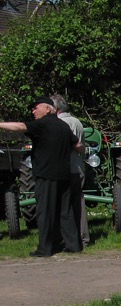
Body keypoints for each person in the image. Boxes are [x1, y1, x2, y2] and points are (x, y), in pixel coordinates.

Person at [0, 96, 81, 256]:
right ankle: (73, 245)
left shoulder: (43, 124)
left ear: (48, 109)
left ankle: (45, 248)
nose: (33, 111)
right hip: (64, 174)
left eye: (36, 107)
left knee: (45, 211)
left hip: (46, 175)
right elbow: (77, 144)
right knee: (66, 211)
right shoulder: (64, 126)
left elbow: (21, 127)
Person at [52, 94, 88, 247]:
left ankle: (67, 239)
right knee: (78, 202)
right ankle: (83, 238)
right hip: (79, 166)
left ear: (55, 108)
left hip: (67, 168)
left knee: (64, 205)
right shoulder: (77, 121)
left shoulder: (61, 123)